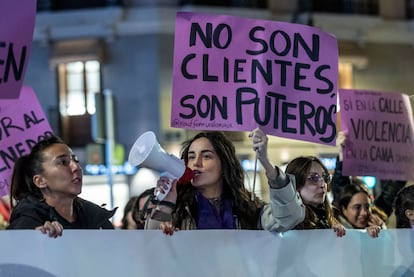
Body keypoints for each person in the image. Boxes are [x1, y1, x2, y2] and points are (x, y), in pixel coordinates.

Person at [145, 130, 305, 234]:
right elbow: (152, 248)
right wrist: (165, 207)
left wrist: (267, 164)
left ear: (224, 164)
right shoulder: (179, 211)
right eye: (191, 157)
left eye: (206, 156)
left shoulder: (249, 210)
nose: (196, 163)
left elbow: (289, 217)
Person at [7, 135, 116, 237]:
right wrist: (34, 241)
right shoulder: (25, 227)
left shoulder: (98, 220)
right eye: (63, 162)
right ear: (40, 181)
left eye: (76, 160)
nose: (76, 167)